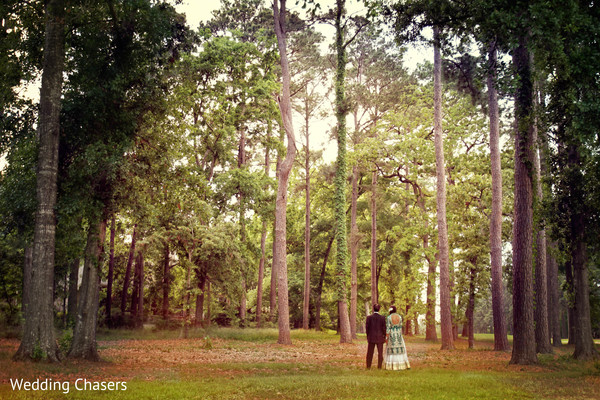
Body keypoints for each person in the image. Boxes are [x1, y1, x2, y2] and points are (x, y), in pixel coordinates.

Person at [384, 305, 411, 370]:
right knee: (400, 349)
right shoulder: (400, 317)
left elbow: (388, 328)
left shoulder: (389, 317)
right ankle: (402, 365)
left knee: (392, 349)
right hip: (399, 335)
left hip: (392, 335)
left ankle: (392, 366)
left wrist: (386, 337)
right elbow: (401, 326)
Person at [365, 303, 386, 369]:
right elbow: (384, 328)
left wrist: (368, 336)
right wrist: (384, 336)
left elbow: (367, 328)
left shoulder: (369, 317)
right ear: (379, 309)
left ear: (373, 309)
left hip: (371, 337)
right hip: (380, 338)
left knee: (370, 353)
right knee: (380, 353)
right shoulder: (382, 318)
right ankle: (379, 367)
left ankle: (368, 366)